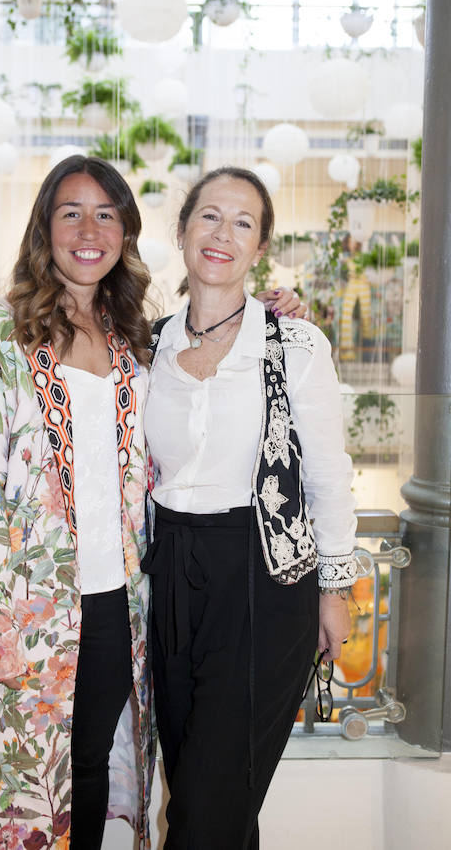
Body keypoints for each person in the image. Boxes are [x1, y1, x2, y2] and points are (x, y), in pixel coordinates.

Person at [0, 155, 305, 850]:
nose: (89, 228)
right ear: (44, 227)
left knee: (83, 772)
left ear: (127, 233)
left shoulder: (135, 333)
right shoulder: (1, 334)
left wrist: (278, 312)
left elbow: (221, 350)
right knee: (20, 783)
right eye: (70, 211)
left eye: (107, 214)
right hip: (25, 610)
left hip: (117, 604)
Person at [142, 166, 357, 850]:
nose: (222, 234)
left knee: (202, 816)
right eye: (209, 216)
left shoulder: (294, 343)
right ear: (181, 231)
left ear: (260, 246)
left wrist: (337, 586)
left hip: (266, 580)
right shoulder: (145, 346)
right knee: (210, 794)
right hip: (170, 572)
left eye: (243, 223)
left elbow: (327, 471)